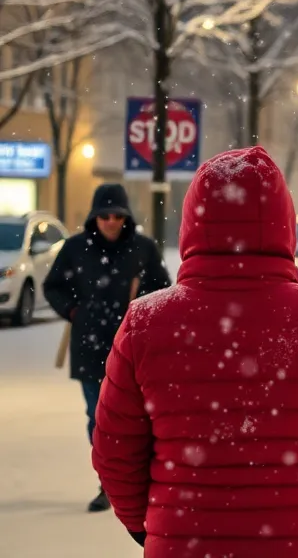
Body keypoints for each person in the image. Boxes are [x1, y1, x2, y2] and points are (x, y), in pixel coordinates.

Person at [90, 147, 298, 557]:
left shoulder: (146, 323)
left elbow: (115, 448)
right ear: (284, 224)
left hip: (185, 542)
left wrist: (144, 522)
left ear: (192, 223)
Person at [42, 183, 171, 513]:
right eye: (104, 216)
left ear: (126, 218)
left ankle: (138, 479)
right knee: (98, 418)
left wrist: (144, 308)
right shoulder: (74, 248)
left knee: (138, 417)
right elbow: (53, 286)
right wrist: (73, 311)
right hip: (89, 346)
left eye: (117, 216)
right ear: (94, 217)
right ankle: (109, 483)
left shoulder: (142, 249)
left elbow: (162, 287)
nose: (111, 221)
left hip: (132, 347)